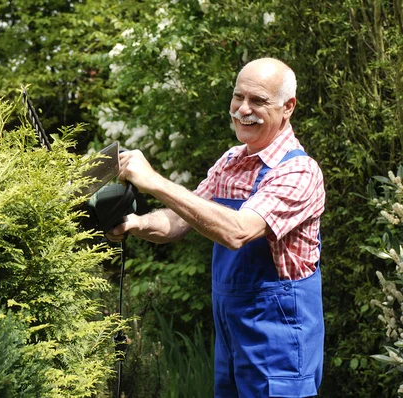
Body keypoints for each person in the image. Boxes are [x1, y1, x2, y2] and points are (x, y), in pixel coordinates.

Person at [107, 57, 325, 397]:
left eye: (258, 101)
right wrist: (134, 223)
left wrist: (153, 181)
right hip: (233, 341)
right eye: (239, 97)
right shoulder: (231, 161)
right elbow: (179, 220)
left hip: (279, 347)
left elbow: (237, 231)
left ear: (288, 107)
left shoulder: (299, 173)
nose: (243, 109)